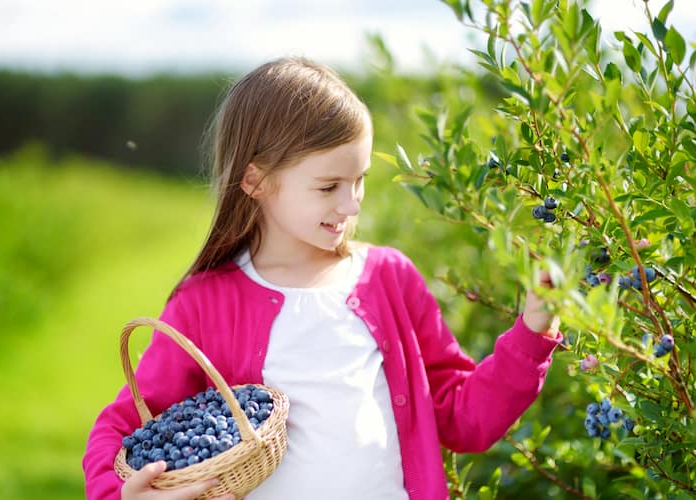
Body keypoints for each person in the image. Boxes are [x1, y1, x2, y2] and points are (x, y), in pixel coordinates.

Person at [82, 56, 562, 500]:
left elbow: (462, 418)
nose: (352, 203)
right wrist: (119, 492)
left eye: (360, 180)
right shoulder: (205, 304)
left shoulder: (389, 279)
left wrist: (534, 332)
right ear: (256, 181)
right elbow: (125, 425)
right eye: (329, 186)